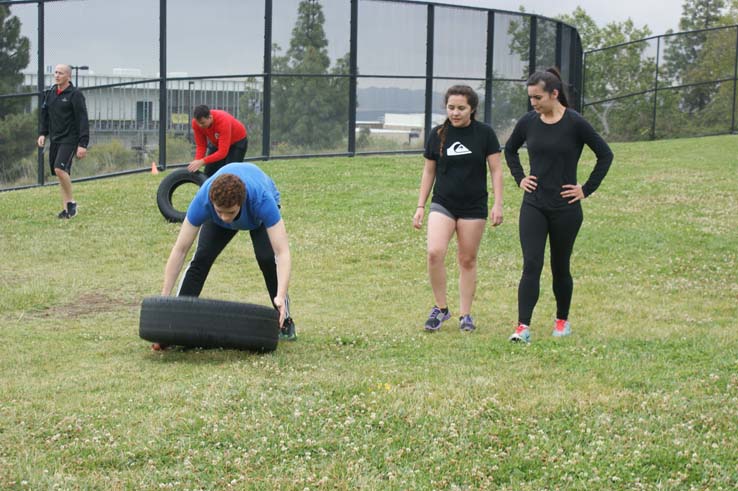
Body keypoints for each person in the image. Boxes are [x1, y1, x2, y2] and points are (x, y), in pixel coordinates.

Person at [505, 67, 614, 343]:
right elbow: (509, 149)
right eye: (530, 97)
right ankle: (522, 327)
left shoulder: (575, 123)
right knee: (531, 263)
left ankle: (562, 321)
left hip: (566, 208)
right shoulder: (528, 122)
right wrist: (520, 178)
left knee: (560, 265)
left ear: (554, 94)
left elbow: (605, 155)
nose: (533, 102)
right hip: (534, 205)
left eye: (538, 97)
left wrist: (585, 190)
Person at [155, 162, 296, 350]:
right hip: (221, 210)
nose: (224, 217)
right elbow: (180, 249)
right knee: (202, 258)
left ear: (241, 202)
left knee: (267, 258)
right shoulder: (203, 201)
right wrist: (166, 298)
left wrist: (280, 296)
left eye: (230, 212)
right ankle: (178, 320)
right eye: (219, 211)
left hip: (257, 219)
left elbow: (282, 253)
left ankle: (284, 321)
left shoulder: (261, 199)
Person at [413, 85, 504, 333]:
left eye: (461, 108)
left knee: (467, 259)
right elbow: (428, 171)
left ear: (472, 109)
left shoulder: (484, 134)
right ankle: (441, 309)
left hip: (474, 206)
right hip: (443, 202)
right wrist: (421, 205)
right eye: (451, 107)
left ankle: (466, 315)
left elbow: (496, 169)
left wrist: (498, 203)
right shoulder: (438, 134)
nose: (455, 112)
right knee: (434, 252)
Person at [37, 64, 89, 219]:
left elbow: (82, 119)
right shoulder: (50, 93)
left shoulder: (75, 95)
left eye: (60, 73)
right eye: (55, 72)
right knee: (60, 173)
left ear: (68, 76)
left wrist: (83, 144)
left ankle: (71, 203)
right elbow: (45, 115)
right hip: (55, 139)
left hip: (70, 139)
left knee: (60, 169)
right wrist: (42, 134)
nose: (57, 75)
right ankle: (66, 209)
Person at [187, 105, 248, 177]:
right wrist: (197, 162)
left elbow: (222, 153)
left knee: (230, 174)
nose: (200, 125)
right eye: (198, 122)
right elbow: (201, 146)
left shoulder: (223, 121)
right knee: (208, 173)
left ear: (210, 117)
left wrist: (202, 161)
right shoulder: (196, 123)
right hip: (218, 142)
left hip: (237, 142)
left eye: (202, 123)